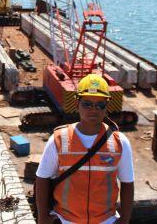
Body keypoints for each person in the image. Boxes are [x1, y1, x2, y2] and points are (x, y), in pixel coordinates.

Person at [35, 74, 134, 224]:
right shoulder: (58, 139)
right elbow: (42, 178)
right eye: (87, 103)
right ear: (77, 104)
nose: (93, 110)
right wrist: (42, 216)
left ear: (107, 107)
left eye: (100, 105)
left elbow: (127, 183)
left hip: (105, 220)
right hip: (65, 219)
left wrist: (125, 219)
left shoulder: (120, 143)